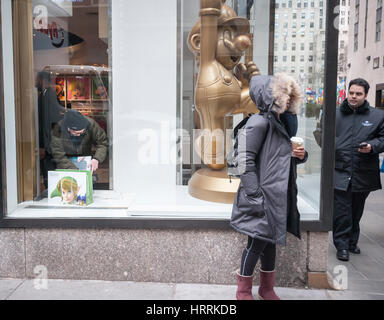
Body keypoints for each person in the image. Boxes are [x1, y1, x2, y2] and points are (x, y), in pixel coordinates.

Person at [230, 73, 307, 300]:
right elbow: (242, 160)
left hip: (277, 194)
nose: (288, 100)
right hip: (261, 194)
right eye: (284, 95)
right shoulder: (258, 122)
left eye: (291, 96)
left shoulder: (280, 124)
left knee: (270, 241)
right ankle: (242, 291)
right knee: (255, 242)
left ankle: (266, 288)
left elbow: (280, 157)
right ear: (271, 97)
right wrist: (254, 195)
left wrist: (300, 155)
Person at [333, 78, 384, 261]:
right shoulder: (335, 113)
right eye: (351, 93)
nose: (353, 96)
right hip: (339, 170)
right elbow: (321, 134)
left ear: (366, 95)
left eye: (358, 94)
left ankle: (352, 242)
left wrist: (372, 146)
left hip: (363, 172)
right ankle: (342, 246)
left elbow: (383, 139)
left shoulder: (377, 116)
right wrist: (335, 147)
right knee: (342, 210)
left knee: (356, 210)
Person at [50, 110, 108, 174]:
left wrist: (97, 159)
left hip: (85, 160)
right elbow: (57, 153)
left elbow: (102, 142)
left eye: (82, 132)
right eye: (76, 133)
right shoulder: (58, 129)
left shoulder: (91, 124)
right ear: (68, 128)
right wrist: (73, 170)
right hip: (66, 161)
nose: (79, 135)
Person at [37, 71, 65, 189]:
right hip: (47, 141)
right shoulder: (44, 94)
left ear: (42, 80)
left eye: (37, 79)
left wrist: (45, 144)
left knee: (49, 170)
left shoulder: (49, 94)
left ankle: (52, 192)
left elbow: (51, 120)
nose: (35, 82)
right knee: (47, 170)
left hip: (48, 142)